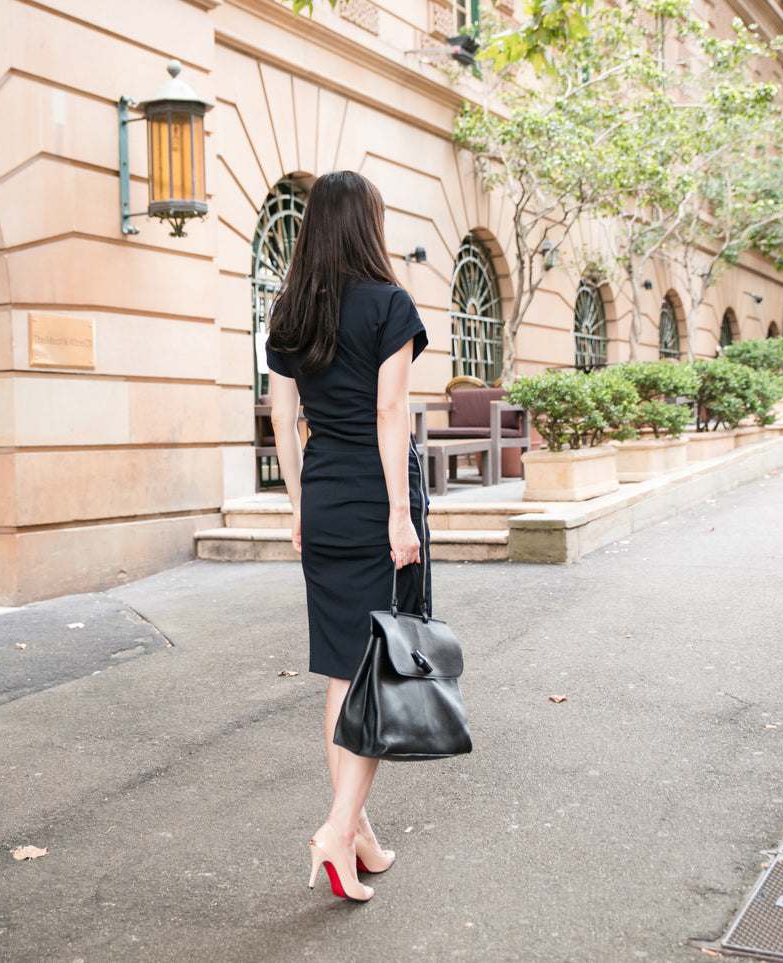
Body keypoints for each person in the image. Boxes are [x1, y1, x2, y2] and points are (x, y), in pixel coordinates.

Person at [264, 171, 429, 903]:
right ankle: (336, 828)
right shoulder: (388, 303)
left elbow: (280, 416)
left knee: (341, 669)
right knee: (377, 670)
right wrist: (399, 513)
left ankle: (355, 832)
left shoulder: (288, 313)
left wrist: (298, 504)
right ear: (368, 224)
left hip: (325, 495)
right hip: (374, 500)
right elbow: (390, 411)